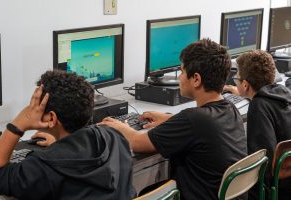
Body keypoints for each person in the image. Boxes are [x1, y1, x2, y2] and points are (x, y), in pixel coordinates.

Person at [99, 38, 248, 200]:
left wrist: (119, 126)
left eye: (182, 72)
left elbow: (137, 143)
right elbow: (201, 125)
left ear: (196, 79)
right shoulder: (229, 108)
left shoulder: (193, 119)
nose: (179, 78)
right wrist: (170, 119)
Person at [0, 70, 134, 200]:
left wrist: (17, 125)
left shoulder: (43, 167)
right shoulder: (115, 137)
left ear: (52, 118)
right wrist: (60, 145)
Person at [224, 50, 291, 200]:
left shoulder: (258, 106)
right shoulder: (284, 93)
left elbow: (262, 162)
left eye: (237, 79)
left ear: (245, 84)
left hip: (277, 190)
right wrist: (246, 94)